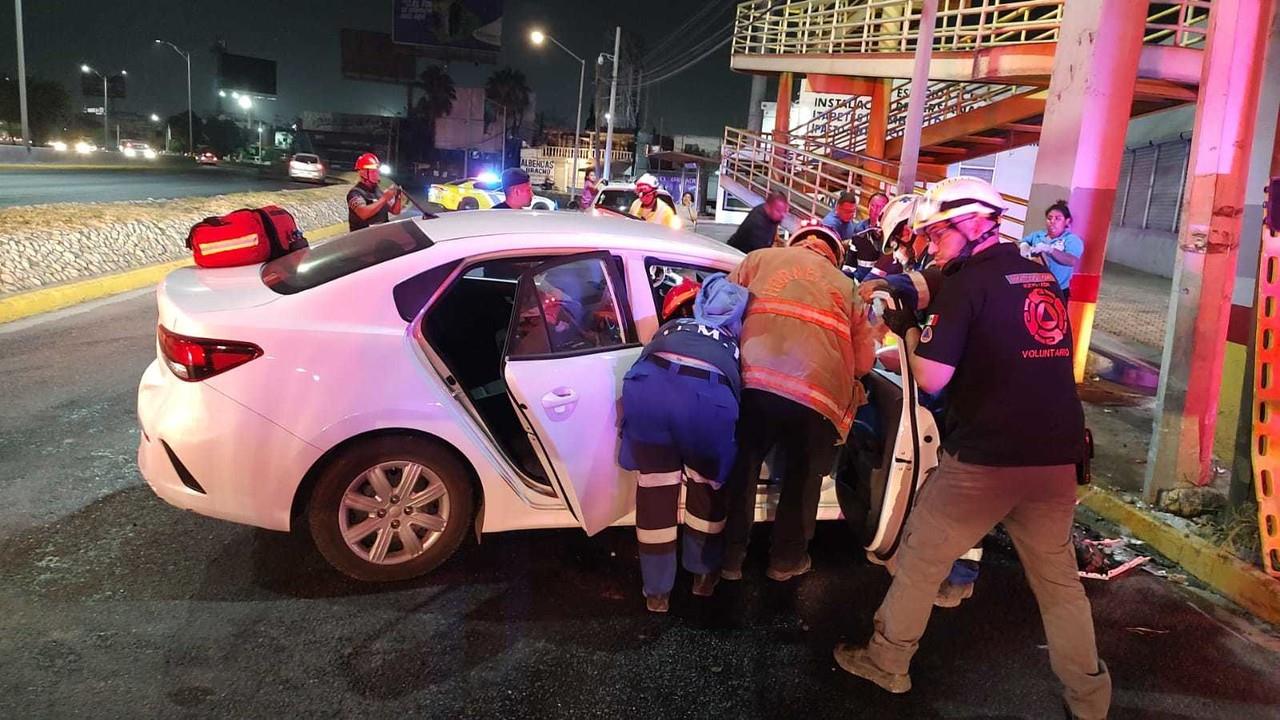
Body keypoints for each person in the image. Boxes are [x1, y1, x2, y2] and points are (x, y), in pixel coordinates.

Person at [833, 177, 1110, 720]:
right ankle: (1091, 698)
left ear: (974, 223)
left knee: (921, 557)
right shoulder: (1037, 277)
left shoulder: (968, 286)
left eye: (938, 233)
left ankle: (887, 662)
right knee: (1057, 584)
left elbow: (932, 379)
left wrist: (908, 334)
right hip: (1057, 457)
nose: (932, 243)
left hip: (988, 457)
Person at [719, 222, 876, 584]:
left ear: (797, 241)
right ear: (833, 254)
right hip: (816, 397)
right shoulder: (846, 286)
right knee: (802, 478)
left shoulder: (758, 260)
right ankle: (785, 561)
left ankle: (729, 560)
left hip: (754, 384)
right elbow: (865, 362)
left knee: (742, 471)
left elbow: (719, 310)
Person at [619, 274, 749, 612]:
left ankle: (657, 592)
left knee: (655, 490)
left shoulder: (668, 331)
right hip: (706, 404)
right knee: (705, 488)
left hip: (648, 393)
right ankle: (703, 577)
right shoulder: (735, 340)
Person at [1020, 200, 1083, 301]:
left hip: (1057, 290)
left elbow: (1072, 260)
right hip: (1033, 287)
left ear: (1067, 221)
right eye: (1049, 218)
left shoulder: (1071, 240)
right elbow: (1022, 242)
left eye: (1058, 219)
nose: (1052, 221)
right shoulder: (1038, 235)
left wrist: (1050, 249)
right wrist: (1024, 246)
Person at [823, 191, 889, 280]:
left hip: (879, 285)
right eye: (874, 206)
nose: (877, 211)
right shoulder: (859, 229)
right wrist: (844, 278)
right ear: (868, 208)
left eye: (882, 207)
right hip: (858, 281)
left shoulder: (891, 234)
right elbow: (851, 259)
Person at [347, 152, 403, 232]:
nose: (377, 174)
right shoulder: (355, 193)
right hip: (362, 238)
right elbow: (363, 213)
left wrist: (398, 196)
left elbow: (395, 211)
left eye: (377, 171)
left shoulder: (377, 190)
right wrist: (384, 198)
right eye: (373, 172)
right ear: (363, 173)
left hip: (380, 235)